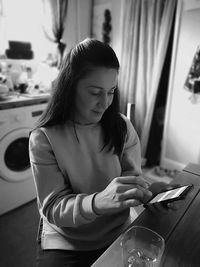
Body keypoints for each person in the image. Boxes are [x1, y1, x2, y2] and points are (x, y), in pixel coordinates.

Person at [29, 38, 174, 267]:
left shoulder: (122, 127)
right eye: (95, 92)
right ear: (70, 86)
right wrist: (97, 202)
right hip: (66, 240)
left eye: (111, 92)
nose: (105, 103)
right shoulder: (44, 138)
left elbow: (131, 180)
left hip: (118, 232)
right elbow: (53, 208)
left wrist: (149, 191)